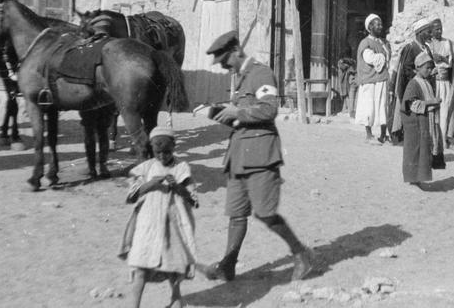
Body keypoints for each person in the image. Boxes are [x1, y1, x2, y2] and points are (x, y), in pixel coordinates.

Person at [203, 31, 314, 282]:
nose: (221, 65)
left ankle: (301, 254)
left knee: (265, 212)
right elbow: (243, 115)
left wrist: (237, 112)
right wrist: (222, 114)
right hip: (239, 157)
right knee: (236, 214)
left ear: (235, 51)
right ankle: (227, 266)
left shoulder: (260, 73)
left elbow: (269, 109)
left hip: (261, 157)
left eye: (223, 59)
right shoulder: (241, 78)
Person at [118, 125, 198, 308]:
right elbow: (131, 196)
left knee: (174, 268)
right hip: (148, 224)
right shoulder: (145, 168)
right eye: (158, 152)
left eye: (167, 152)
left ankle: (176, 300)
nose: (163, 156)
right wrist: (151, 184)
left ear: (174, 148)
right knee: (140, 266)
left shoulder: (182, 168)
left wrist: (178, 187)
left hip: (173, 225)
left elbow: (193, 200)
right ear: (152, 150)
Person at [401, 51, 444, 187]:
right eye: (427, 68)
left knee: (423, 151)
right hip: (417, 124)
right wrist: (432, 102)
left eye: (431, 68)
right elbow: (412, 104)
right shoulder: (413, 84)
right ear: (418, 67)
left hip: (425, 121)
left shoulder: (425, 81)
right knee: (415, 150)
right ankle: (413, 179)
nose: (430, 70)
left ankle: (418, 178)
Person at [390, 18, 434, 144]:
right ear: (420, 32)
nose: (430, 34)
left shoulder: (426, 48)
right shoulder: (411, 48)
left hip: (426, 85)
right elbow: (406, 69)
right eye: (428, 32)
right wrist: (421, 76)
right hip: (414, 87)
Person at [427, 17, 454, 148]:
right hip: (433, 84)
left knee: (447, 111)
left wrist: (443, 58)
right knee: (433, 113)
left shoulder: (449, 43)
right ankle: (434, 141)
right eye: (436, 29)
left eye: (440, 28)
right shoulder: (428, 45)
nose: (439, 31)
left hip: (446, 83)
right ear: (430, 31)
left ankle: (445, 141)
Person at [354, 14, 391, 143]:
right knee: (369, 107)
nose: (380, 26)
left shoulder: (383, 42)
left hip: (381, 79)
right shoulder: (366, 43)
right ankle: (369, 135)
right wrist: (382, 56)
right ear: (370, 27)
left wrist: (383, 56)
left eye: (381, 24)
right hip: (370, 80)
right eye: (377, 24)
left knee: (382, 107)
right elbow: (371, 59)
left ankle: (382, 134)